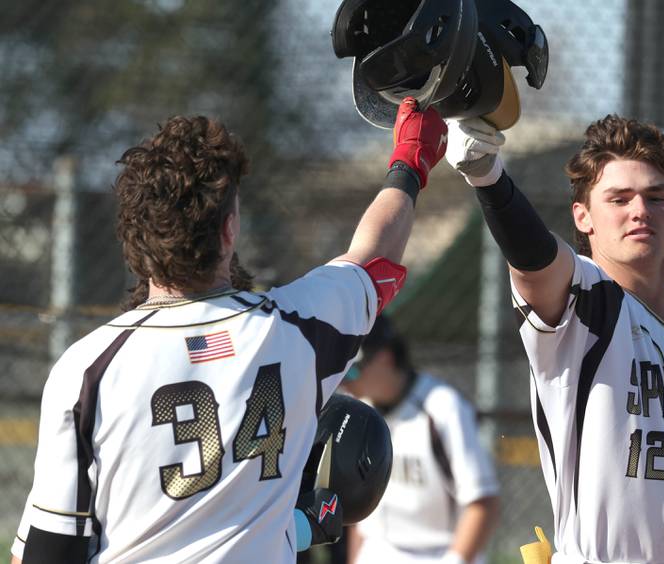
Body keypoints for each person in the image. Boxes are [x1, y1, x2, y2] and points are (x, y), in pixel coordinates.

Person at [10, 98, 449, 564]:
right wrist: (410, 159)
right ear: (228, 231)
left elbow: (47, 554)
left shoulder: (87, 370)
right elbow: (373, 257)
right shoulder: (295, 330)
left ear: (133, 238)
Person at [444, 115, 664, 564]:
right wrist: (488, 177)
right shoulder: (581, 311)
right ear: (583, 215)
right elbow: (534, 260)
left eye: (656, 197)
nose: (640, 210)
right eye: (619, 198)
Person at [342, 315, 500, 564]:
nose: (345, 382)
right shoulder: (359, 409)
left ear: (385, 357)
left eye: (352, 370)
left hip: (439, 554)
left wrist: (456, 559)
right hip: (379, 552)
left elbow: (482, 501)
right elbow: (360, 517)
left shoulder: (442, 407)